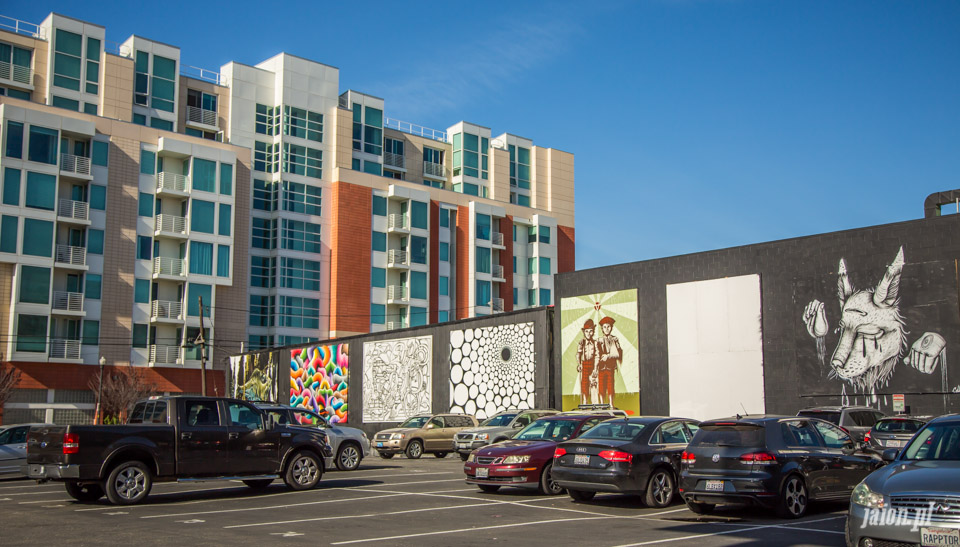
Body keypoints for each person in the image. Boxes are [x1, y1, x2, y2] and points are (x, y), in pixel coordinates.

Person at [596, 316, 622, 406]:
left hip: (610, 367)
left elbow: (618, 353)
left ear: (611, 328)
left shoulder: (614, 339)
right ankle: (602, 404)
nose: (606, 329)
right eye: (604, 327)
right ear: (602, 329)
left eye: (608, 327)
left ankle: (611, 404)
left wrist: (608, 356)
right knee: (601, 387)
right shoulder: (599, 340)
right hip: (601, 367)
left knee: (610, 386)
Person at [576, 319, 598, 405]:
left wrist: (595, 368)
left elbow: (597, 356)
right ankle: (585, 402)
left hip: (592, 364)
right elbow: (578, 354)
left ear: (593, 332)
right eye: (587, 331)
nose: (589, 333)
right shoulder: (582, 342)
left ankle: (594, 403)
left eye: (590, 331)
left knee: (593, 384)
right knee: (584, 385)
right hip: (584, 365)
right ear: (584, 332)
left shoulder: (595, 343)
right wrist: (579, 364)